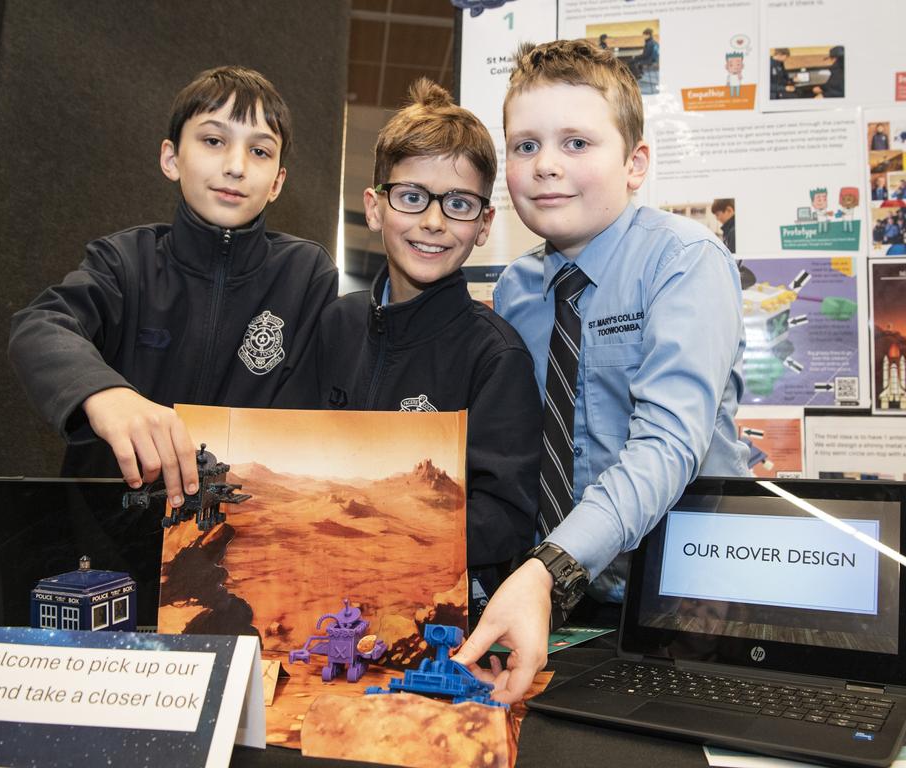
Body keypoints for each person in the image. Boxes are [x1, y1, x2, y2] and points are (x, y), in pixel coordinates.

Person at [452, 39, 748, 703]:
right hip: (557, 607)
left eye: (577, 143)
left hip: (686, 602)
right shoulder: (518, 291)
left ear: (635, 162)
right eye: (526, 146)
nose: (547, 165)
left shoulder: (685, 260)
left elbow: (669, 441)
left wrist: (547, 568)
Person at [9, 66, 337, 506]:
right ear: (171, 158)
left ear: (277, 181)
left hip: (239, 529)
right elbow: (40, 325)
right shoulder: (125, 260)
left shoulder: (307, 273)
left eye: (260, 151)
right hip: (109, 531)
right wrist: (104, 392)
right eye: (213, 141)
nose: (235, 167)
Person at [280, 78, 542, 617]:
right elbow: (289, 452)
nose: (433, 222)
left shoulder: (495, 357)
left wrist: (385, 535)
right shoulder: (334, 323)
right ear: (375, 208)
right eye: (412, 197)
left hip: (426, 610)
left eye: (459, 204)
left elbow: (506, 515)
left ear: (485, 224)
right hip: (315, 590)